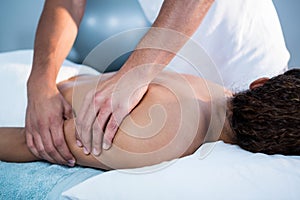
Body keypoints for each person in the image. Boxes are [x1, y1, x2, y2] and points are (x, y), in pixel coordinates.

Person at [26, 0, 290, 167]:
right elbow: (66, 3)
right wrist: (40, 82)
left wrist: (137, 73)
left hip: (248, 67)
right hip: (174, 66)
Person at [1, 69, 299, 169]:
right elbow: (38, 141)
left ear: (258, 84)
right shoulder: (164, 132)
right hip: (27, 98)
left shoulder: (216, 92)